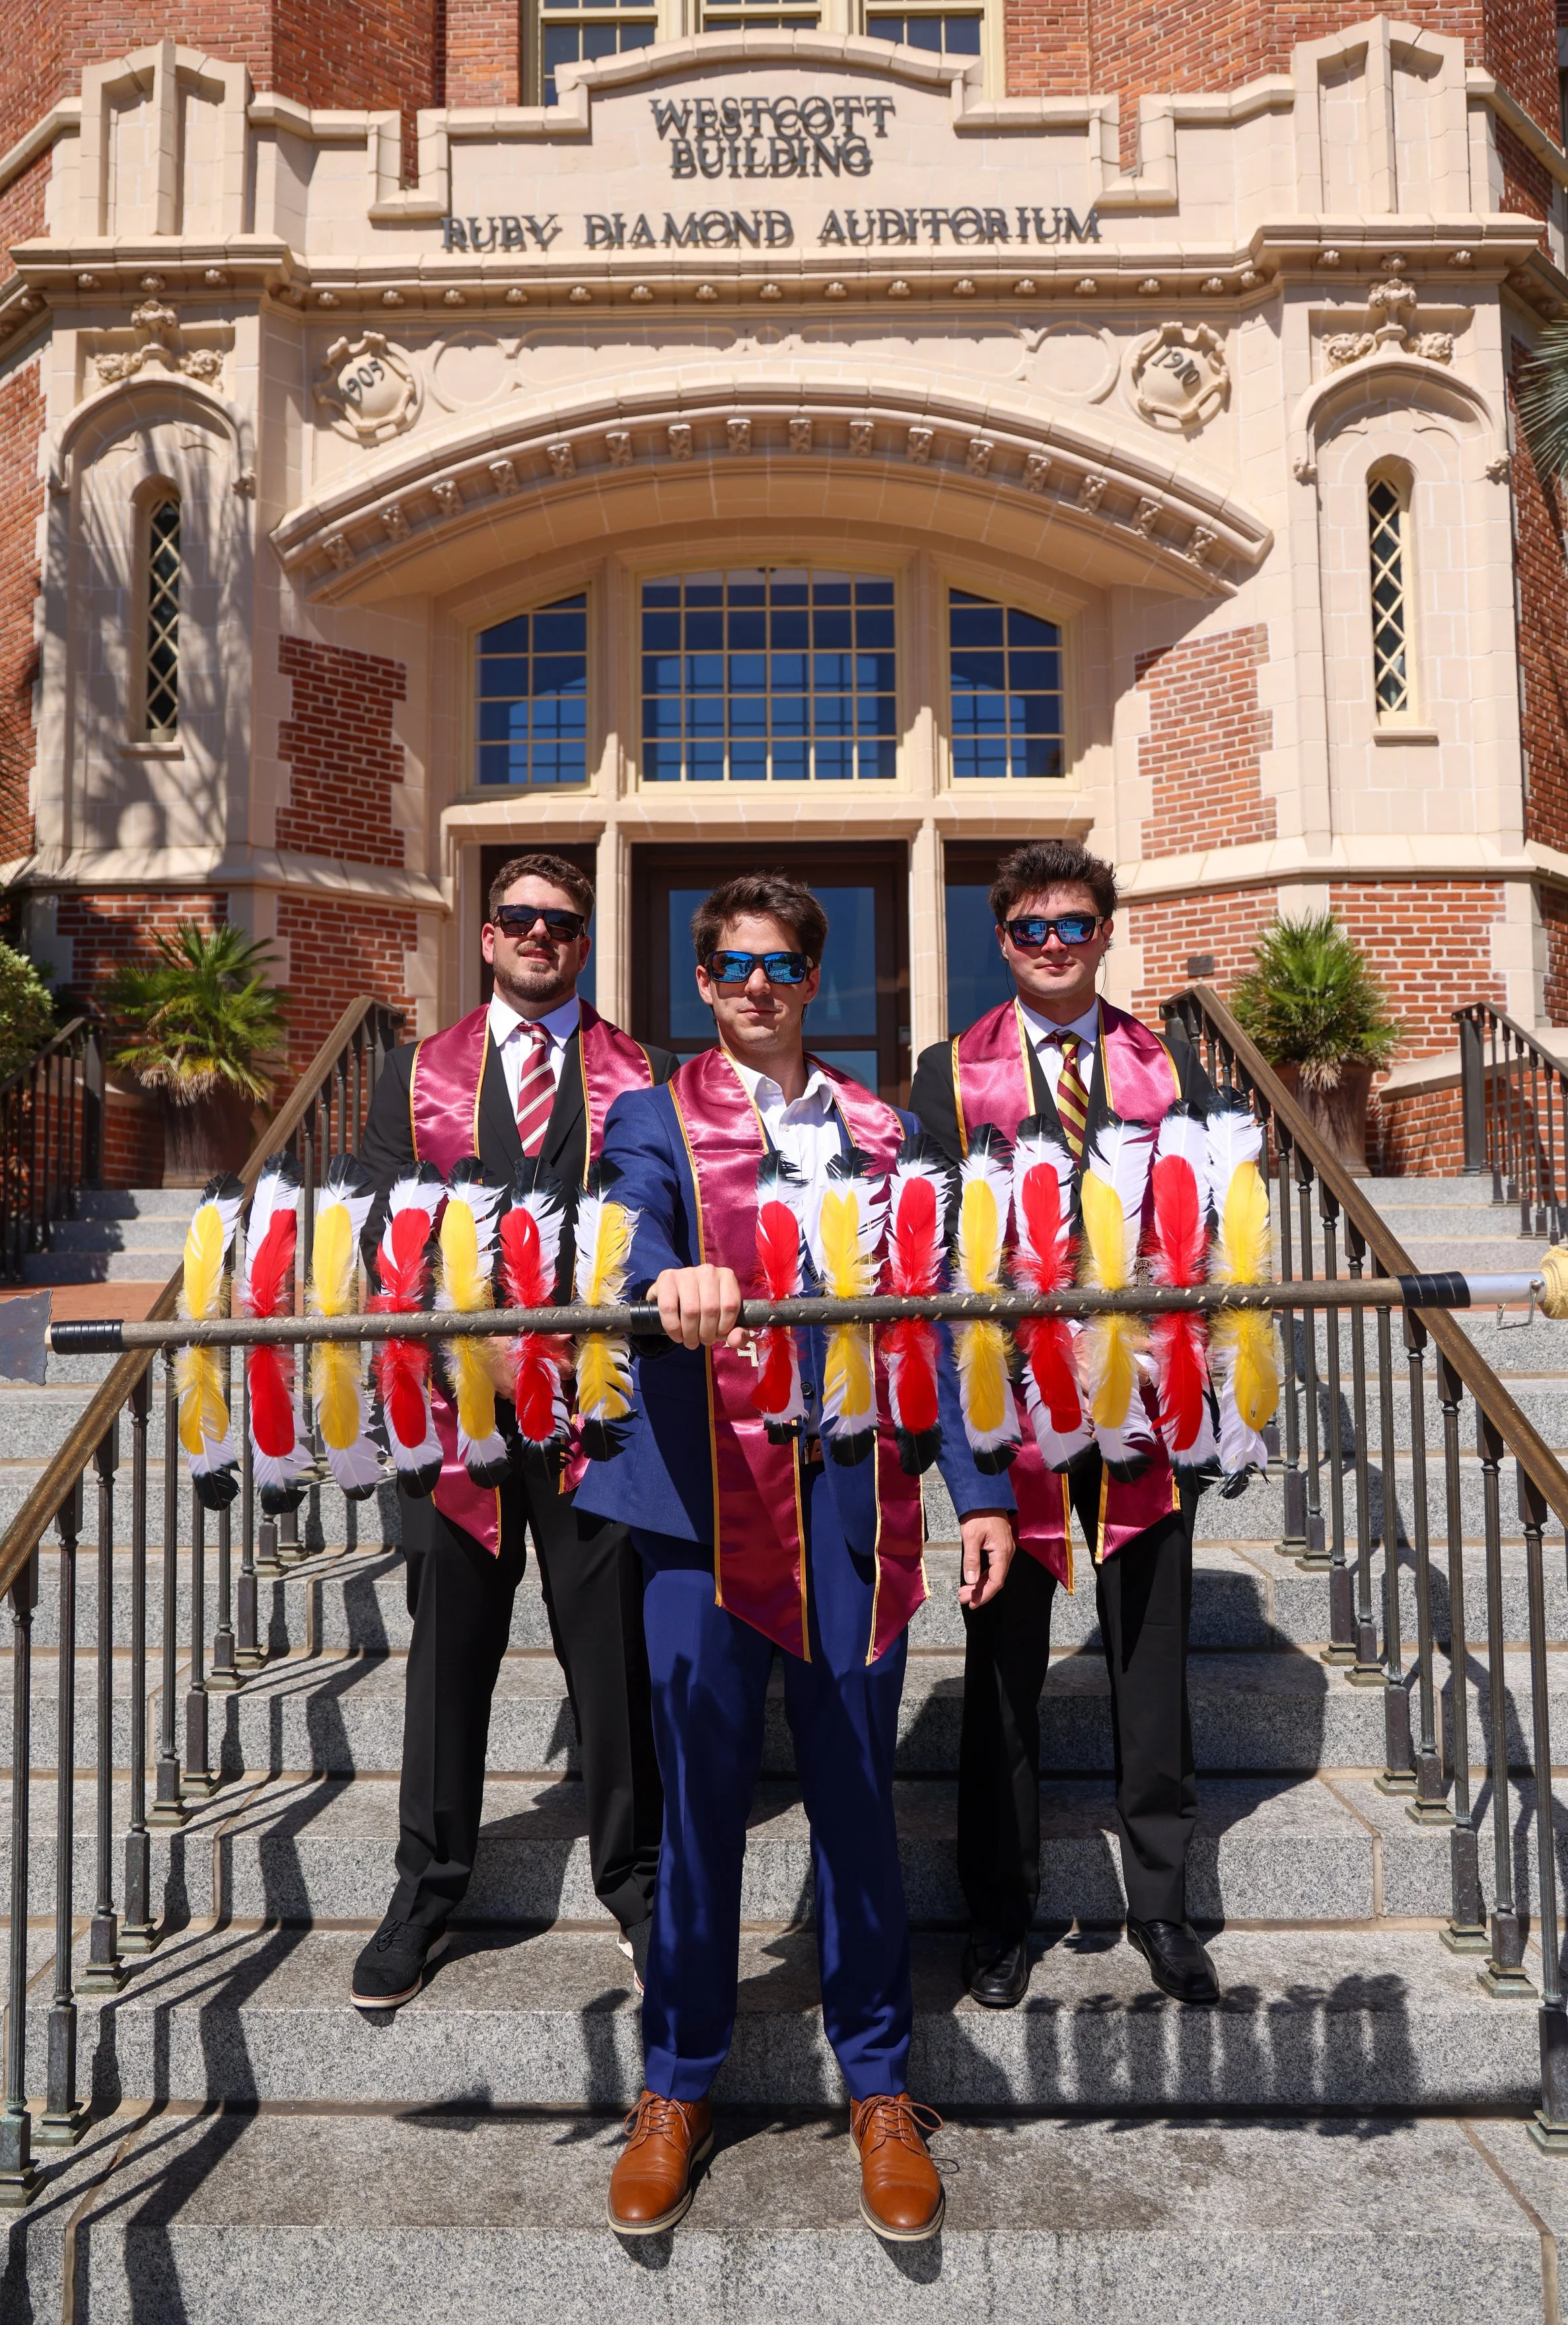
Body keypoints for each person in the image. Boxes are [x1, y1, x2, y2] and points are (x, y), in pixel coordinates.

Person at [578, 871, 1016, 2244]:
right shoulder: (649, 1117)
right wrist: (664, 1277)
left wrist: (980, 1489)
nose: (754, 984)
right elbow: (627, 1223)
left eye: (777, 962)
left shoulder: (886, 1132)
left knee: (853, 1802)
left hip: (849, 1506)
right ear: (698, 980)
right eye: (728, 965)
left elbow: (940, 1320)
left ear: (809, 978)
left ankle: (878, 2081)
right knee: (699, 1804)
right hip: (699, 1515)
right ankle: (676, 2079)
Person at [349, 852, 672, 2010]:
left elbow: (656, 1215)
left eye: (564, 924)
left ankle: (637, 1884)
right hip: (458, 1414)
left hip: (596, 1412)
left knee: (613, 1658)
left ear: (584, 945)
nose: (542, 936)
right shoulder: (412, 1072)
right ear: (487, 938)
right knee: (449, 1659)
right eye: (522, 919)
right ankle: (426, 1891)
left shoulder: (641, 1072)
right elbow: (385, 1212)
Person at [910, 840, 1221, 2016]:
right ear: (1001, 941)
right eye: (1030, 928)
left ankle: (1165, 1906)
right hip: (1011, 1412)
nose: (1052, 944)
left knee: (1153, 1668)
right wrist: (965, 1457)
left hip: (1143, 1409)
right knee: (1002, 1674)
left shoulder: (1169, 1063)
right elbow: (927, 1264)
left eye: (1073, 924)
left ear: (1105, 933)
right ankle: (999, 1913)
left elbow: (1204, 1239)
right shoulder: (948, 1076)